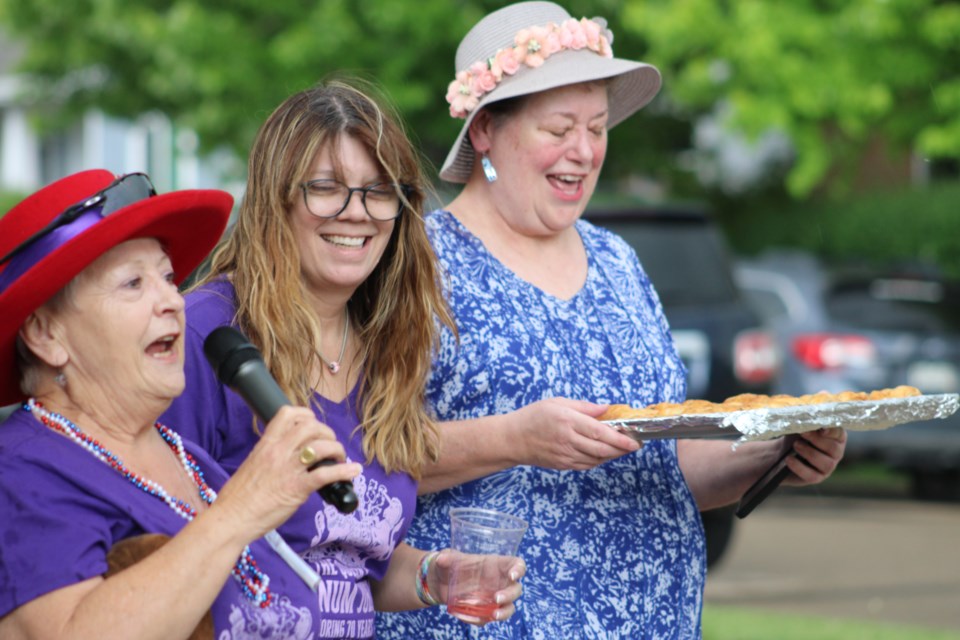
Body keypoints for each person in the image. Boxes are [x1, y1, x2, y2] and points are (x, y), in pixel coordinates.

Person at [376, 2, 848, 638]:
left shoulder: (617, 260)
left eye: (597, 128)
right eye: (559, 127)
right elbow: (367, 452)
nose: (584, 150)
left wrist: (770, 457)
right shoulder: (417, 264)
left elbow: (658, 466)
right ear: (486, 129)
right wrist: (516, 438)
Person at [159, 77, 525, 636]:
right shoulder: (207, 334)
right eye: (326, 187)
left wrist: (433, 576)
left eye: (379, 191)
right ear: (276, 196)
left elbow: (347, 563)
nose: (357, 212)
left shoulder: (388, 346)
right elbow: (152, 547)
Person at [0, 169, 365, 639]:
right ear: (46, 335)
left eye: (169, 277)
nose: (172, 300)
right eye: (133, 283)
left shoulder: (190, 460)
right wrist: (242, 508)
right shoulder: (22, 470)